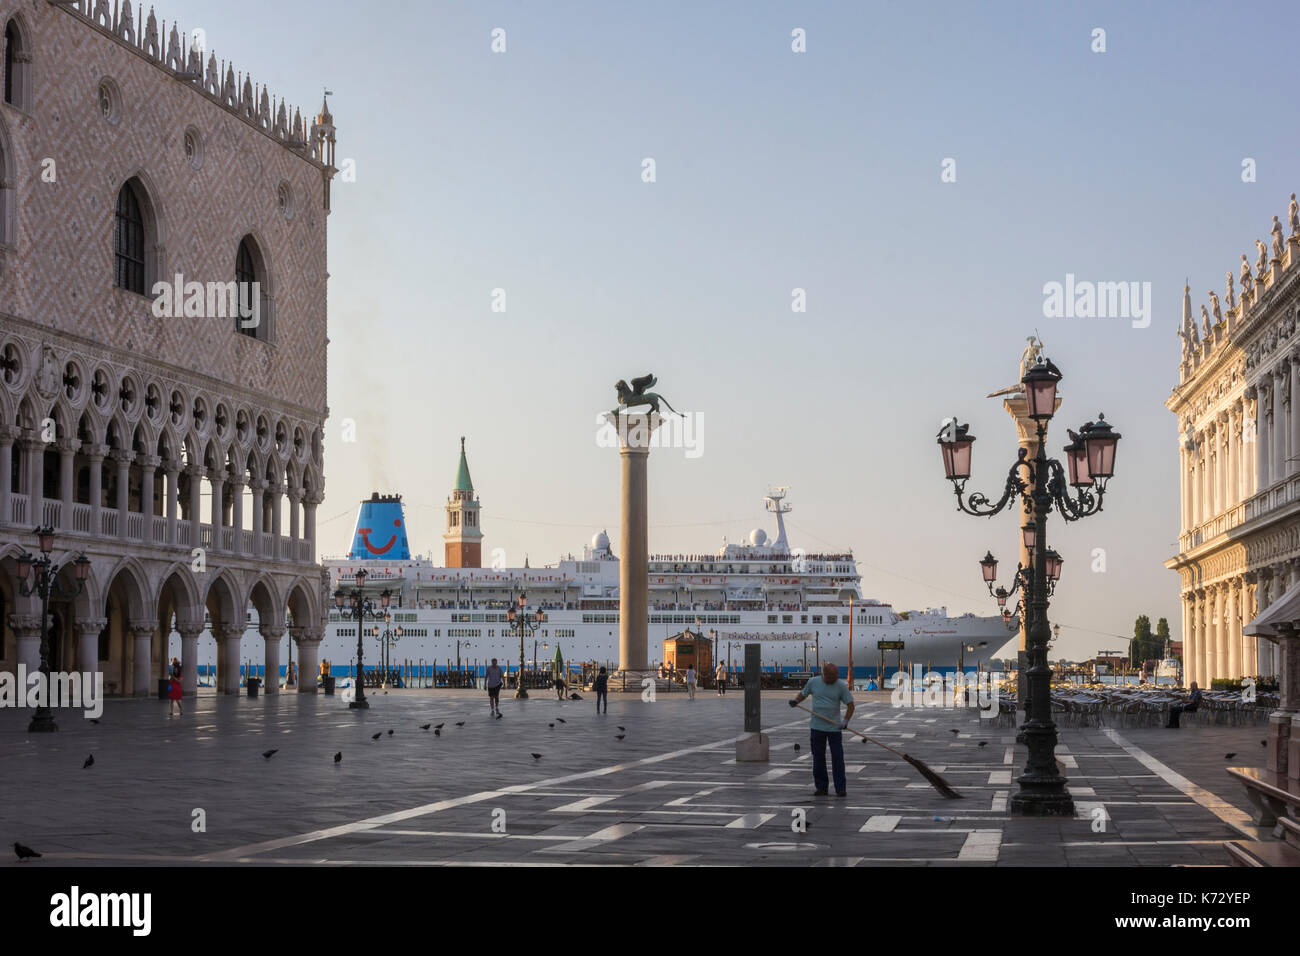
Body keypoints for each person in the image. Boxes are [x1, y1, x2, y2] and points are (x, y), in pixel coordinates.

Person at [789, 662, 855, 797]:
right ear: (825, 675)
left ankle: (840, 788)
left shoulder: (841, 686)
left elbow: (851, 705)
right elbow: (803, 694)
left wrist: (845, 721)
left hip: (834, 729)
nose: (836, 678)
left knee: (838, 758)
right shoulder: (813, 682)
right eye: (833, 676)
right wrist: (796, 701)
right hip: (817, 728)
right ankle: (821, 787)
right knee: (818, 758)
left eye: (837, 676)